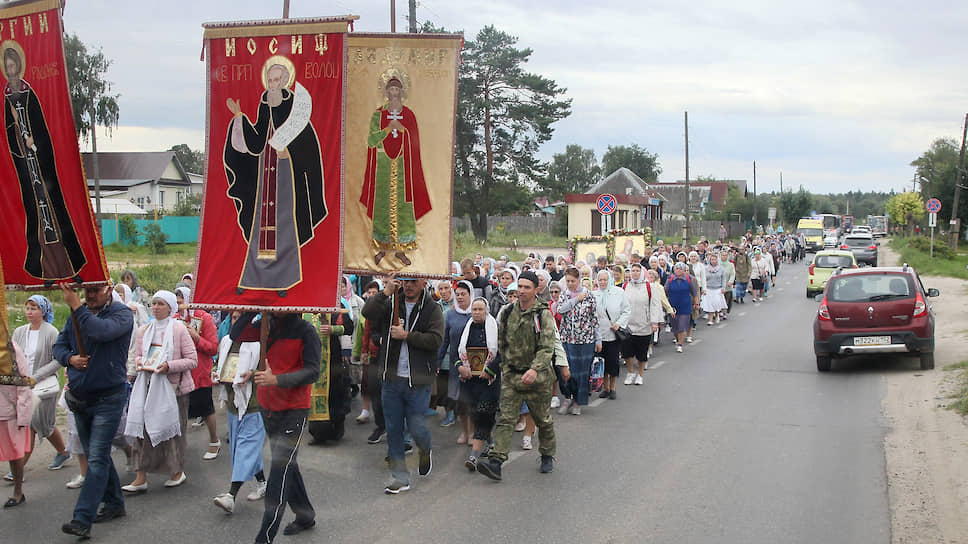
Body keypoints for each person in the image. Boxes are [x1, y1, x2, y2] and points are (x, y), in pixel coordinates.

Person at [224, 59, 327, 295]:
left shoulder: (295, 107)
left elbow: (307, 144)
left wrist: (288, 153)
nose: (272, 84)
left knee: (284, 223)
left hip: (287, 176)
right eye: (269, 80)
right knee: (259, 223)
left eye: (276, 80)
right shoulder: (265, 104)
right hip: (264, 172)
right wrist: (239, 117)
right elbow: (258, 138)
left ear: (285, 81)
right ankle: (251, 277)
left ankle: (284, 279)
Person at [53, 284, 134, 539]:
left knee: (96, 458)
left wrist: (77, 306)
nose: (89, 295)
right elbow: (59, 346)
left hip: (108, 398)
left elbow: (101, 332)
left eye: (95, 290)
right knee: (95, 455)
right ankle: (114, 503)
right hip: (80, 398)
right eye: (85, 291)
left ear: (109, 289)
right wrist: (70, 359)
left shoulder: (122, 315)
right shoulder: (78, 315)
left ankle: (82, 519)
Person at [233, 312, 321, 542]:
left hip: (295, 409)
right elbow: (236, 334)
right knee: (287, 466)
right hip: (268, 406)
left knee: (279, 472)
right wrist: (253, 306)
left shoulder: (306, 330)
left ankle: (264, 538)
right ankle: (305, 515)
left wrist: (277, 380)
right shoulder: (265, 325)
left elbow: (313, 371)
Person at [4, 43, 86, 282]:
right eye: (6, 67)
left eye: (13, 66)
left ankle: (71, 267)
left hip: (42, 163)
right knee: (35, 213)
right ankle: (45, 270)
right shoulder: (7, 99)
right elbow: (9, 129)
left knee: (56, 210)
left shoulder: (29, 93)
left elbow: (41, 127)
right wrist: (20, 138)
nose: (10, 71)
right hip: (26, 167)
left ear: (19, 66)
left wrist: (34, 142)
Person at [362, 276, 443, 494]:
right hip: (391, 380)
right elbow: (367, 313)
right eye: (405, 281)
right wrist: (385, 292)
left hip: (418, 381)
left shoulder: (432, 308)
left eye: (413, 281)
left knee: (417, 427)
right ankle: (400, 477)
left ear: (424, 283)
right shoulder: (390, 303)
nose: (408, 285)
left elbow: (436, 340)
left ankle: (425, 449)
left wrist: (406, 335)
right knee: (393, 429)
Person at [476, 271, 557, 480]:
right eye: (519, 286)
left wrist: (534, 368)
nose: (521, 291)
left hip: (537, 378)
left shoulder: (543, 314)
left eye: (526, 287)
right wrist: (497, 367)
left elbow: (547, 347)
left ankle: (547, 454)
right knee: (506, 419)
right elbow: (503, 343)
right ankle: (496, 462)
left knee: (543, 420)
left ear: (536, 289)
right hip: (512, 376)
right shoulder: (508, 312)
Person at [123, 291, 197, 493]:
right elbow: (138, 356)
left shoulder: (178, 330)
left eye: (161, 304)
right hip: (147, 387)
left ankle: (176, 471)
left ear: (170, 307)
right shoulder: (144, 331)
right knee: (142, 431)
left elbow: (192, 359)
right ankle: (140, 476)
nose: (155, 307)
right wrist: (141, 364)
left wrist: (168, 365)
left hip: (174, 389)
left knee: (172, 432)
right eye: (154, 303)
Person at [360, 75, 431, 267]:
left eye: (396, 89)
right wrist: (386, 130)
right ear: (386, 92)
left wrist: (403, 130)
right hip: (383, 164)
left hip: (402, 165)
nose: (393, 93)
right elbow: (371, 141)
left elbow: (415, 142)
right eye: (390, 89)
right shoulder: (378, 114)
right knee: (382, 206)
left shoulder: (408, 115)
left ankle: (401, 250)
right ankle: (381, 248)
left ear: (402, 92)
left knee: (403, 205)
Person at [210, 320, 267, 515]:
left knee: (246, 446)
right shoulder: (226, 341)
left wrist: (252, 375)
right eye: (233, 318)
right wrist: (215, 373)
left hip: (255, 405)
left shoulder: (261, 343)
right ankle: (263, 482)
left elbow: (272, 370)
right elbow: (219, 365)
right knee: (242, 448)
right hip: (233, 404)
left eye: (241, 318)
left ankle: (231, 495)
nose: (237, 322)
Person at [9, 296, 70, 477]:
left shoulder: (51, 332)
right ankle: (64, 452)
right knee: (43, 424)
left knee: (33, 425)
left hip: (43, 385)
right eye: (27, 308)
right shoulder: (20, 331)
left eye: (34, 308)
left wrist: (36, 377)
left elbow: (58, 360)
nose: (29, 312)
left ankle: (18, 468)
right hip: (23, 386)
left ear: (43, 311)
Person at [174, 287, 220, 460]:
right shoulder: (174, 319)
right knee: (180, 412)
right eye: (176, 303)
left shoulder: (204, 318)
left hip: (199, 373)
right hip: (179, 374)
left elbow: (213, 347)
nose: (178, 307)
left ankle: (214, 440)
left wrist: (196, 338)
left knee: (206, 408)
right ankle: (179, 447)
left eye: (181, 303)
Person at [455, 298, 501, 471]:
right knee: (476, 413)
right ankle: (491, 443)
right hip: (469, 381)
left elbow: (502, 354)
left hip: (488, 381)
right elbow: (457, 353)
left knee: (483, 413)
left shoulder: (495, 329)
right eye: (474, 309)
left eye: (480, 309)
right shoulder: (466, 329)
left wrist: (490, 370)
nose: (476, 312)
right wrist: (460, 367)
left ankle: (473, 456)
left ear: (486, 310)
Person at [556, 268, 600, 415]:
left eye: (573, 281)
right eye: (567, 281)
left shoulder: (589, 295)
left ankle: (577, 401)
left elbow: (594, 318)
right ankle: (567, 397)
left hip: (586, 340)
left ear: (579, 280)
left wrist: (598, 339)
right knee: (567, 372)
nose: (570, 284)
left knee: (581, 373)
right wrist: (576, 299)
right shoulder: (564, 295)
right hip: (568, 339)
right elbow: (560, 310)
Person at [437, 281, 473, 441]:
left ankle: (474, 433)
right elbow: (444, 341)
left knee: (473, 401)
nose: (459, 297)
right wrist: (437, 361)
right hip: (456, 364)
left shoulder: (478, 311)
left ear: (470, 295)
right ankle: (465, 432)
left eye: (463, 294)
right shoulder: (449, 315)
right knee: (461, 401)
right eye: (457, 294)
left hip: (475, 364)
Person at [1, 340, 33, 508]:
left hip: (9, 411)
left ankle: (18, 492)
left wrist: (23, 414)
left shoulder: (11, 349)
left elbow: (23, 382)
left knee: (15, 454)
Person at [622, 264, 662, 385]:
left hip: (644, 325)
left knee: (641, 353)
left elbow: (655, 305)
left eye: (637, 271)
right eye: (632, 271)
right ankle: (630, 372)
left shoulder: (650, 287)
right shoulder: (625, 286)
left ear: (642, 272)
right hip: (628, 326)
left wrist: (654, 322)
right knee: (627, 353)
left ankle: (640, 374)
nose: (634, 273)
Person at [593, 270, 630, 400]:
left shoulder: (619, 293)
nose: (602, 282)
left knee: (613, 362)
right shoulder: (594, 295)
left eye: (605, 280)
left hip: (613, 334)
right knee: (601, 362)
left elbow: (626, 310)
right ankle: (605, 387)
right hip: (599, 335)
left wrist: (619, 324)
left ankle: (613, 387)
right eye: (600, 280)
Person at [665, 263, 698, 353]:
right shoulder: (670, 279)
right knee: (675, 328)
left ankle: (680, 344)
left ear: (683, 270)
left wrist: (696, 303)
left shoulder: (688, 279)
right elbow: (665, 292)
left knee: (682, 326)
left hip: (685, 306)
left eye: (680, 269)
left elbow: (694, 293)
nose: (678, 270)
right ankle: (677, 339)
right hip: (673, 307)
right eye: (677, 269)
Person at [701, 254, 729, 326]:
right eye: (712, 260)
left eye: (715, 260)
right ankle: (710, 320)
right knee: (710, 304)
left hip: (718, 289)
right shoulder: (705, 268)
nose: (713, 261)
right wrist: (704, 289)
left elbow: (723, 279)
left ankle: (717, 315)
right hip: (708, 288)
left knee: (716, 303)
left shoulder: (721, 269)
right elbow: (703, 279)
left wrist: (723, 288)